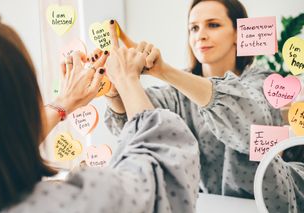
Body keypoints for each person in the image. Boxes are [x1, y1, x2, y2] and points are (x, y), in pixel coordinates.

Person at [0, 6, 200, 213]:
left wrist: (64, 103)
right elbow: (159, 175)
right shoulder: (73, 203)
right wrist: (126, 79)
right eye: (194, 27)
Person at [105, 0, 284, 199]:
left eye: (213, 25)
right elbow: (138, 124)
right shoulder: (176, 93)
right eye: (194, 28)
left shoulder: (265, 83)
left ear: (237, 33)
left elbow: (253, 122)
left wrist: (163, 70)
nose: (201, 35)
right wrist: (116, 89)